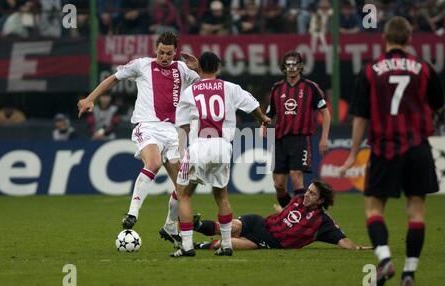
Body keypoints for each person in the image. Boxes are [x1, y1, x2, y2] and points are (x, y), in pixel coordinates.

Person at [339, 16, 445, 286]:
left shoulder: (370, 71)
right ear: (410, 39)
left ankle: (385, 259)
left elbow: (360, 117)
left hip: (385, 147)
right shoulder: (423, 68)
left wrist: (352, 153)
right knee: (416, 211)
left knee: (374, 207)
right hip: (418, 147)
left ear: (384, 39)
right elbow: (437, 104)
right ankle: (410, 272)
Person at [77, 31, 200, 241]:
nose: (164, 57)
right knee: (152, 163)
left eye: (169, 54)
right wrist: (90, 99)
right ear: (156, 50)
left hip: (173, 131)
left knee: (183, 185)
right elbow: (113, 79)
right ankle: (132, 213)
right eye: (161, 52)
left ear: (175, 53)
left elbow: (206, 88)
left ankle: (170, 227)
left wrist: (198, 71)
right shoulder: (141, 65)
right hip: (147, 126)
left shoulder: (183, 69)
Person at [171, 52, 270, 257]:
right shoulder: (230, 88)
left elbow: (182, 126)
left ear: (200, 69)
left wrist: (181, 152)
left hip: (199, 146)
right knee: (221, 196)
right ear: (218, 67)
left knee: (184, 194)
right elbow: (252, 105)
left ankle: (187, 246)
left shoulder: (190, 92)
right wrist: (262, 118)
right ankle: (226, 245)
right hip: (223, 147)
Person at [193, 179, 369, 251]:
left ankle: (197, 246)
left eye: (313, 194)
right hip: (260, 222)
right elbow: (290, 215)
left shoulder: (322, 222)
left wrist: (360, 248)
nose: (307, 194)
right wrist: (281, 212)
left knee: (228, 243)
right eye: (308, 190)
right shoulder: (299, 199)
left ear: (321, 201)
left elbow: (343, 241)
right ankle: (195, 225)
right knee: (230, 227)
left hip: (271, 241)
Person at [263, 50, 330, 210]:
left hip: (300, 139)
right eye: (288, 65)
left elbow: (325, 112)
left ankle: (300, 216)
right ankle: (291, 213)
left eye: (295, 64)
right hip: (280, 139)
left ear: (300, 67)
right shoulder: (277, 88)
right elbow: (269, 113)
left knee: (295, 176)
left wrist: (324, 137)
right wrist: (263, 124)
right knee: (278, 184)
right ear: (284, 68)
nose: (292, 68)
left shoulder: (311, 87)